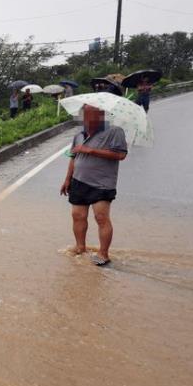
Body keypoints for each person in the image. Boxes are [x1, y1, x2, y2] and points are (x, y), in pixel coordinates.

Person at [59, 104, 128, 266]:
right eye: (84, 115)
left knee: (101, 217)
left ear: (101, 115)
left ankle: (103, 253)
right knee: (77, 216)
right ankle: (80, 246)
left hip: (102, 184)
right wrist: (67, 179)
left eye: (91, 115)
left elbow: (121, 154)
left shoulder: (114, 132)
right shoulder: (79, 135)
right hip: (78, 181)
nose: (87, 119)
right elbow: (73, 158)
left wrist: (90, 150)